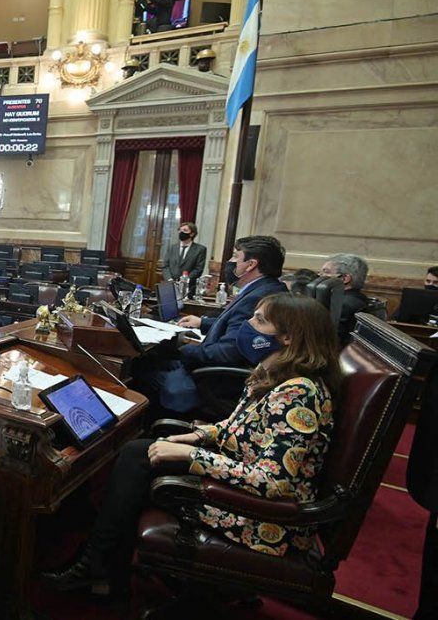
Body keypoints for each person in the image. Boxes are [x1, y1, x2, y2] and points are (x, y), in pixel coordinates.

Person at [42, 293, 340, 599]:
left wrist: (193, 455)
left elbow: (275, 482)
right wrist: (198, 436)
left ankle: (98, 565)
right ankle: (103, 565)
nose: (247, 325)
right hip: (247, 489)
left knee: (138, 459)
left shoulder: (298, 393)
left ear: (289, 337)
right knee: (139, 453)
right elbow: (240, 429)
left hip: (267, 521)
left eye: (260, 320)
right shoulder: (275, 374)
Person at [137, 235, 289, 414]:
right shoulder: (266, 288)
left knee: (141, 369)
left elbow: (228, 352)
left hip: (216, 379)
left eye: (235, 257)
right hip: (217, 368)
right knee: (155, 360)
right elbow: (237, 325)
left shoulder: (257, 297)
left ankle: (151, 430)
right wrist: (202, 322)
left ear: (251, 264)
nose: (230, 262)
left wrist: (184, 348)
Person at [320, 253, 370, 341]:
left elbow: (326, 339)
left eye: (326, 272)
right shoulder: (359, 298)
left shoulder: (342, 305)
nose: (320, 276)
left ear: (344, 278)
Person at [161, 221, 207, 287]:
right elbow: (165, 266)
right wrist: (169, 279)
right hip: (170, 285)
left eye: (185, 230)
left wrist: (185, 280)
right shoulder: (172, 248)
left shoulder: (200, 249)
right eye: (180, 230)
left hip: (188, 286)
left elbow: (198, 269)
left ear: (192, 234)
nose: (181, 232)